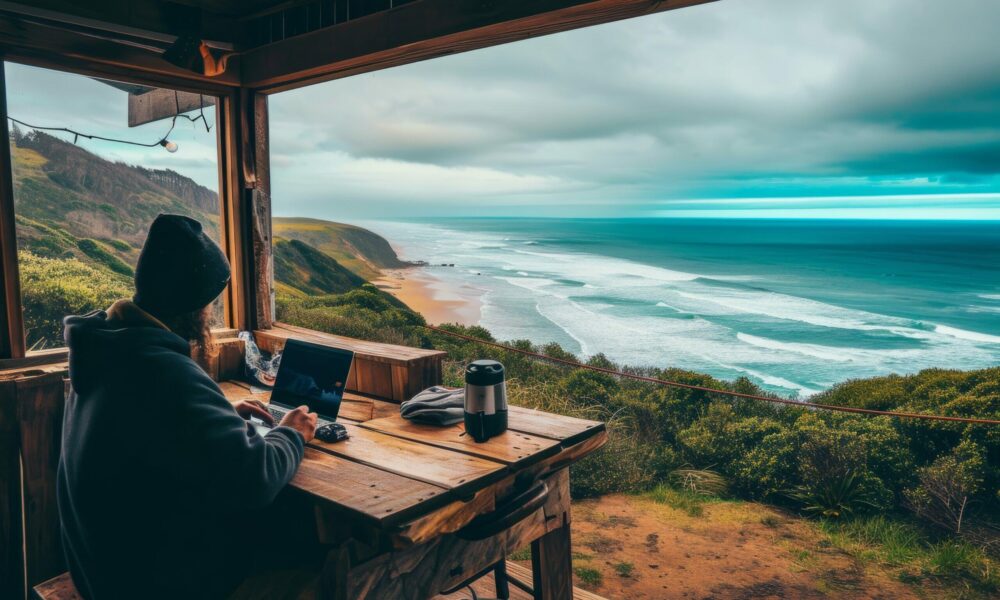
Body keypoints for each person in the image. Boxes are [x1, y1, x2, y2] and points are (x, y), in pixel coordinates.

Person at [57, 214, 319, 599]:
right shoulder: (161, 371)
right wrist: (291, 434)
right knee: (321, 559)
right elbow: (256, 478)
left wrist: (222, 416)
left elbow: (158, 434)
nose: (211, 313)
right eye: (211, 303)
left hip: (102, 571)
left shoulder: (107, 350)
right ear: (195, 308)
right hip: (151, 586)